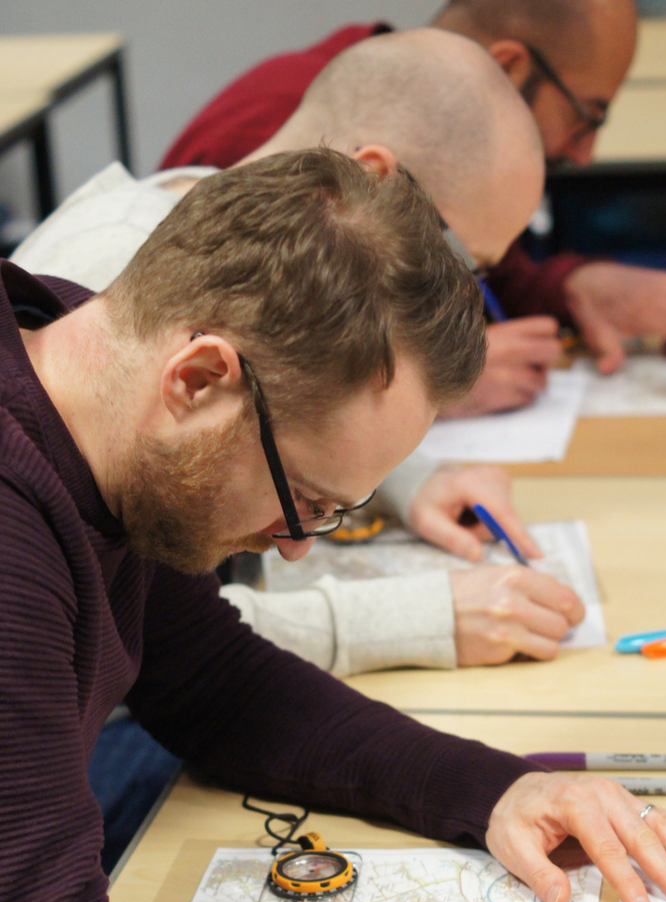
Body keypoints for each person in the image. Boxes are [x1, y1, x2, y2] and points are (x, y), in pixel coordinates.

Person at [0, 149, 666, 902]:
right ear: (199, 377)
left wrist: (495, 789)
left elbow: (214, 683)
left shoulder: (73, 354)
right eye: (302, 495)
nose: (298, 548)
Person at [13, 30, 584, 677]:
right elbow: (145, 641)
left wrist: (403, 478)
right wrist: (418, 619)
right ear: (374, 180)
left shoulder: (223, 215)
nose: (457, 294)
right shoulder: (107, 272)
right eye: (456, 262)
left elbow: (295, 400)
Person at [159, 0, 666, 412]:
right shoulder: (296, 155)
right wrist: (430, 388)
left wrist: (570, 284)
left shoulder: (428, 140)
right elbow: (236, 394)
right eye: (588, 115)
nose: (585, 153)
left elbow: (470, 271)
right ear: (509, 69)